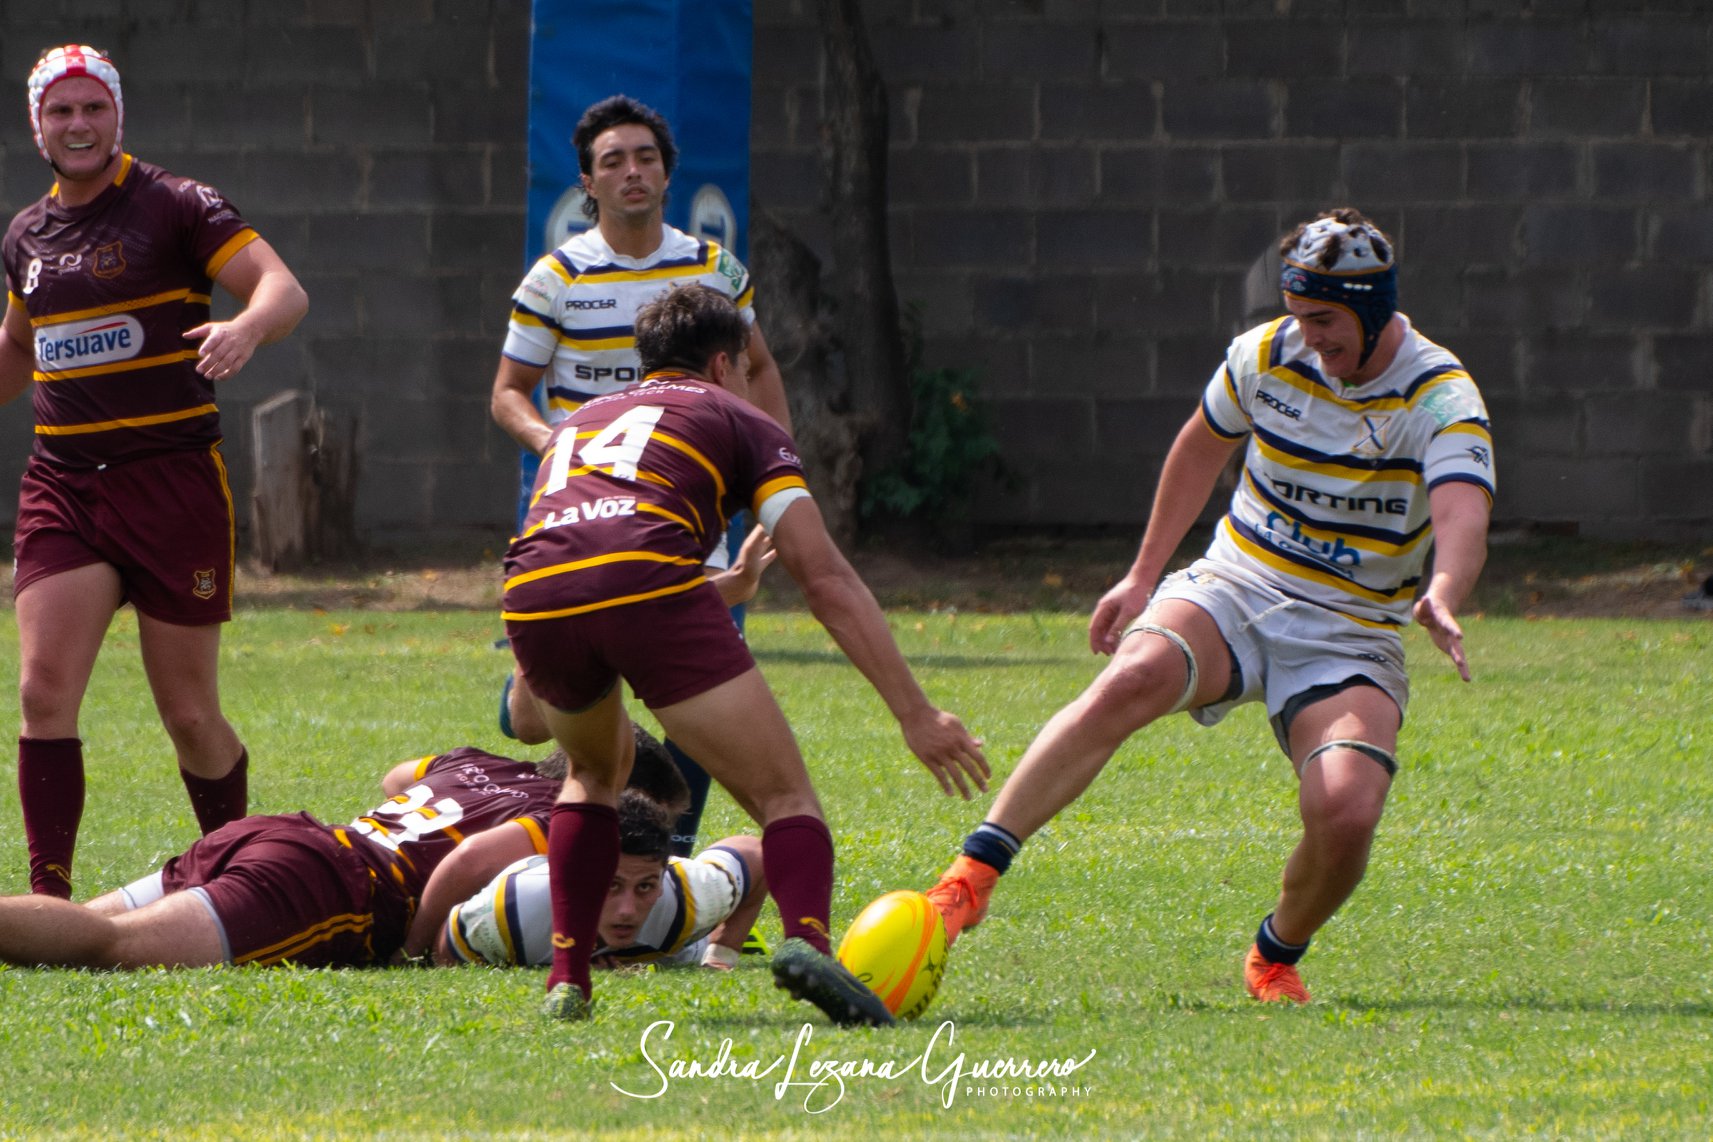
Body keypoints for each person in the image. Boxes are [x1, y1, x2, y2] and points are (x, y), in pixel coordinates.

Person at [923, 208, 1495, 1004]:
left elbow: (1462, 506)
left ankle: (1274, 952)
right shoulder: (1265, 354)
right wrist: (1139, 576)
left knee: (1347, 811)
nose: (1309, 337)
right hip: (1238, 585)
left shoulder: (1439, 394)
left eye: (1325, 320)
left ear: (1370, 309)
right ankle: (969, 879)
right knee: (1132, 677)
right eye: (1297, 315)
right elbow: (1199, 448)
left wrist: (1442, 589)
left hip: (1351, 629)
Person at [504, 283, 989, 1025]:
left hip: (533, 591)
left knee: (593, 773)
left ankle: (567, 979)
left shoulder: (579, 422)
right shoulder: (739, 417)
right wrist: (913, 712)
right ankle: (806, 946)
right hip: (646, 585)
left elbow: (578, 539)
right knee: (784, 800)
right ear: (725, 363)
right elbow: (822, 575)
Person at [0, 46, 309, 898]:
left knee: (189, 715)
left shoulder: (175, 205)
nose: (78, 124)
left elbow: (284, 289)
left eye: (92, 107)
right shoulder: (26, 234)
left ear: (117, 117)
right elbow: (22, 348)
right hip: (65, 484)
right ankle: (49, 896)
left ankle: (242, 875)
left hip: (170, 484)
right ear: (39, 128)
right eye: (60, 111)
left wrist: (246, 328)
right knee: (42, 688)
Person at [489, 94, 790, 861]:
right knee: (541, 716)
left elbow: (755, 368)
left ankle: (669, 857)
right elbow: (507, 392)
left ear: (667, 172)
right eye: (612, 161)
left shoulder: (713, 268)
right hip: (583, 510)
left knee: (698, 681)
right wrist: (557, 440)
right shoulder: (555, 277)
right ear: (587, 183)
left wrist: (773, 475)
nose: (632, 172)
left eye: (645, 157)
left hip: (687, 508)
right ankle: (581, 808)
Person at [0, 747, 559, 969]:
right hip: (326, 884)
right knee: (113, 947)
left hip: (284, 833)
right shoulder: (560, 813)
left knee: (87, 926)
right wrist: (414, 948)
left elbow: (396, 777)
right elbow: (470, 861)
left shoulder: (483, 761)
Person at [436, 790, 769, 972]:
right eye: (611, 885)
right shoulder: (514, 912)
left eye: (645, 887)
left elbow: (758, 855)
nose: (627, 910)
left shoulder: (688, 895)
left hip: (684, 941)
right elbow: (447, 953)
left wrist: (721, 956)